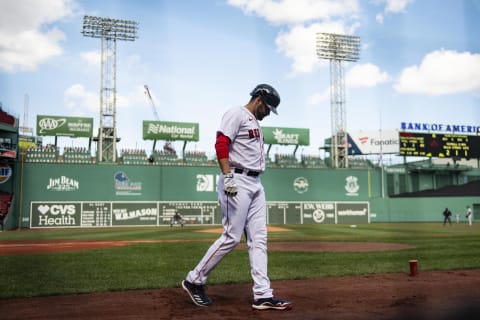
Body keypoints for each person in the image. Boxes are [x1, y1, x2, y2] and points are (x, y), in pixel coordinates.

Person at [181, 84, 292, 311]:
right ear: (259, 100)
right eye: (268, 108)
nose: (269, 113)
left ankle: (263, 294)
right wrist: (227, 176)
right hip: (237, 180)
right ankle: (194, 280)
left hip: (256, 183)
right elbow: (221, 143)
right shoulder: (236, 113)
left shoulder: (255, 123)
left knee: (259, 239)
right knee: (232, 236)